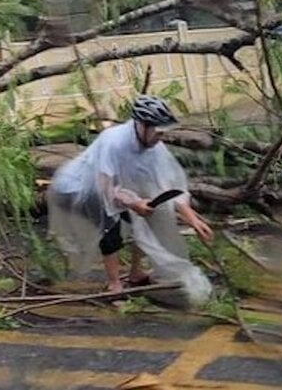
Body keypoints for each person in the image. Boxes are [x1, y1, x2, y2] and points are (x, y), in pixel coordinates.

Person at [48, 95, 214, 294]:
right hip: (79, 186)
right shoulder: (114, 142)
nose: (160, 138)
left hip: (115, 187)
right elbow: (104, 189)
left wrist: (193, 221)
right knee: (110, 227)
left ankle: (136, 273)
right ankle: (114, 284)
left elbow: (169, 185)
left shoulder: (154, 148)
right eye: (157, 132)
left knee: (146, 217)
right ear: (142, 126)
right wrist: (134, 203)